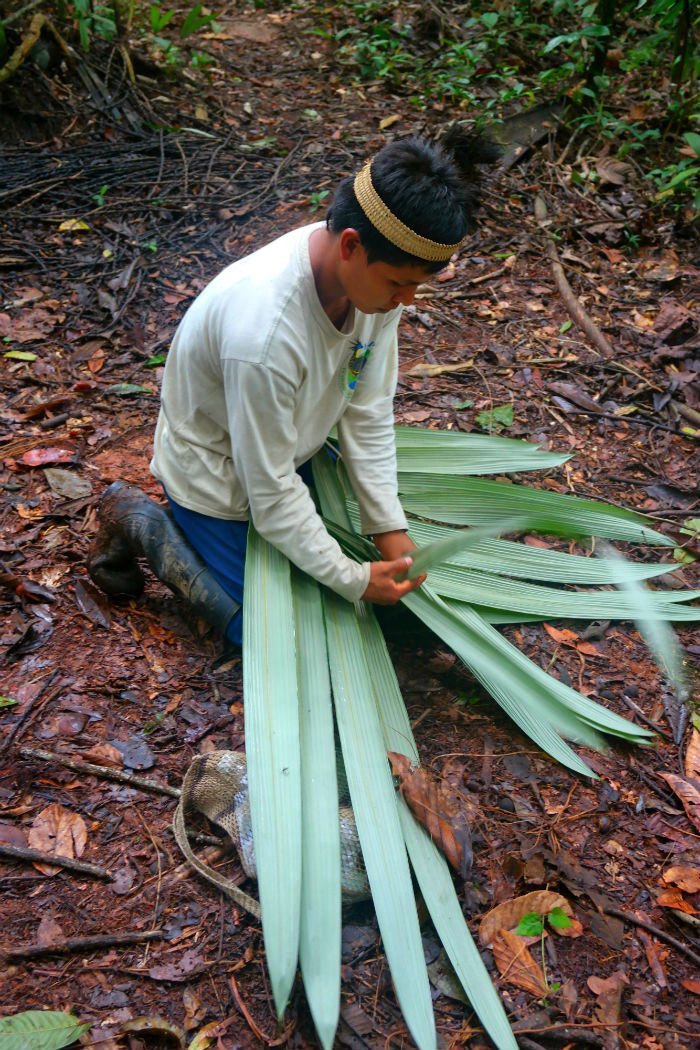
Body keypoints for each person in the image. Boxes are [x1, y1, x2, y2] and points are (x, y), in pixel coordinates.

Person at [88, 128, 494, 643]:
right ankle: (145, 523)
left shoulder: (371, 279)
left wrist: (390, 532)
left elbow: (367, 411)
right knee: (268, 635)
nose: (408, 300)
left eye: (417, 285)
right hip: (220, 475)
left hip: (285, 450)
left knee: (377, 619)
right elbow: (269, 487)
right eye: (400, 284)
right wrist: (353, 578)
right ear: (351, 245)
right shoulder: (263, 333)